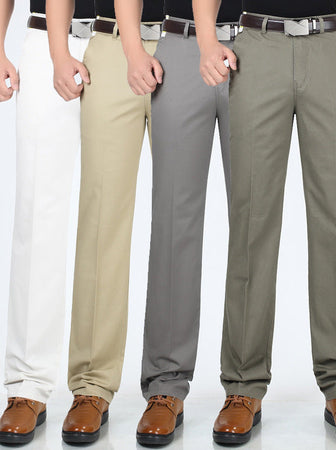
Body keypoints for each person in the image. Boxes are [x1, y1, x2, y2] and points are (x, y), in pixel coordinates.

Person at [194, 0, 336, 445]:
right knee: (251, 219)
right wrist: (207, 40)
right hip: (258, 47)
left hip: (332, 48)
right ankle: (242, 385)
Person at [115, 0, 240, 445]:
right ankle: (165, 385)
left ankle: (244, 387)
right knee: (173, 220)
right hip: (182, 47)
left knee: (251, 222)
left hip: (258, 45)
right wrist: (133, 50)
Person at [47, 0, 163, 444]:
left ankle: (167, 386)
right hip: (113, 48)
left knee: (178, 222)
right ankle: (91, 385)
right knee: (102, 220)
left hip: (189, 42)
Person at [0, 0, 94, 445]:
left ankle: (95, 386)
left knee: (113, 216)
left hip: (125, 39)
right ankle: (26, 386)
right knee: (38, 215)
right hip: (45, 40)